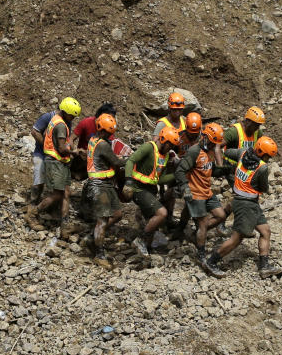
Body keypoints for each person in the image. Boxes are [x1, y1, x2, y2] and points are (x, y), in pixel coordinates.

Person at [204, 136, 281, 277]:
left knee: (265, 231)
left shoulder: (243, 152)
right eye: (268, 156)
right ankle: (211, 262)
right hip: (247, 204)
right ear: (263, 153)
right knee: (236, 239)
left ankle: (264, 266)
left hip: (242, 200)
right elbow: (263, 188)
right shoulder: (262, 168)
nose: (268, 159)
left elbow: (227, 152)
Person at [123, 125, 181, 256]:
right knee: (162, 213)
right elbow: (131, 161)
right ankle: (141, 240)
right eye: (170, 145)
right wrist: (128, 181)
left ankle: (146, 253)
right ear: (163, 140)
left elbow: (160, 179)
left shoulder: (165, 156)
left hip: (150, 190)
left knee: (153, 221)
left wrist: (176, 175)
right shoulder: (148, 147)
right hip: (139, 189)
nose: (170, 149)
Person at [26, 97, 82, 234]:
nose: (73, 118)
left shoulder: (57, 120)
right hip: (55, 161)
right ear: (65, 111)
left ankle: (65, 224)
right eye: (72, 115)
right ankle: (33, 213)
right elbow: (62, 148)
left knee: (66, 193)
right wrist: (75, 152)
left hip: (58, 161)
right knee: (57, 194)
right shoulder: (61, 125)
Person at [176, 122, 228, 267]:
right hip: (195, 192)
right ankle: (201, 254)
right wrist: (185, 188)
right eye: (212, 143)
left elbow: (210, 170)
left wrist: (224, 169)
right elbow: (180, 170)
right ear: (205, 138)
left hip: (207, 191)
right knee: (203, 222)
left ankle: (197, 233)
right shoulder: (194, 151)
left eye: (215, 145)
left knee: (221, 216)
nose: (214, 147)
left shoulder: (210, 151)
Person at [81, 113, 126, 267]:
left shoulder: (93, 139)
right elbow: (116, 162)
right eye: (108, 132)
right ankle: (99, 254)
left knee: (117, 214)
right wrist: (129, 159)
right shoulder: (103, 145)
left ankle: (91, 238)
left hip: (105, 184)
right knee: (103, 220)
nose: (110, 135)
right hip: (99, 186)